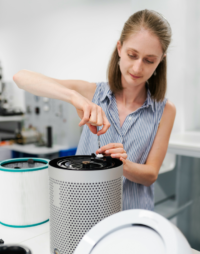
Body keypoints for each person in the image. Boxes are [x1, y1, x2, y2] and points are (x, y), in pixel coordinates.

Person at [13, 9, 176, 211]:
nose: (137, 68)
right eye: (132, 55)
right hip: (83, 213)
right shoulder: (92, 92)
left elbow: (150, 175)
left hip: (132, 218)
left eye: (149, 60)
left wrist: (122, 165)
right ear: (119, 48)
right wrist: (74, 97)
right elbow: (21, 78)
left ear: (160, 61)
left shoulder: (165, 110)